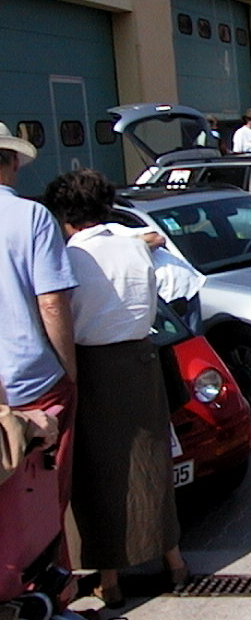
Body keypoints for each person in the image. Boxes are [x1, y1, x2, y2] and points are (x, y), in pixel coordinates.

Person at [43, 170, 187, 608]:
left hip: (96, 365)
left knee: (102, 472)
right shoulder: (132, 241)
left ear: (66, 217)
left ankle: (110, 578)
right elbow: (150, 244)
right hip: (143, 358)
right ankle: (175, 561)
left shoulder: (69, 256)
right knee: (152, 462)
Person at [0, 123, 78, 542]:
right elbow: (52, 302)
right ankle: (50, 587)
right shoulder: (31, 217)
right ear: (12, 162)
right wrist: (69, 368)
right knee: (44, 492)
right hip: (33, 381)